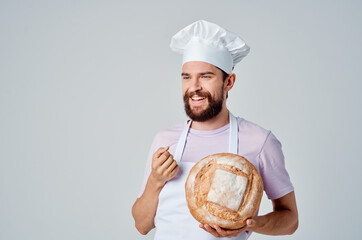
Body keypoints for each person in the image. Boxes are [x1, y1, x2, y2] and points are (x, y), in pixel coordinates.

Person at [132, 20, 298, 240]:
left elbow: (290, 220)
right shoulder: (165, 140)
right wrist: (155, 181)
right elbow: (142, 226)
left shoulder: (259, 142)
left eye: (206, 76)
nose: (194, 87)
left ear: (229, 82)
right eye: (187, 77)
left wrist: (250, 224)